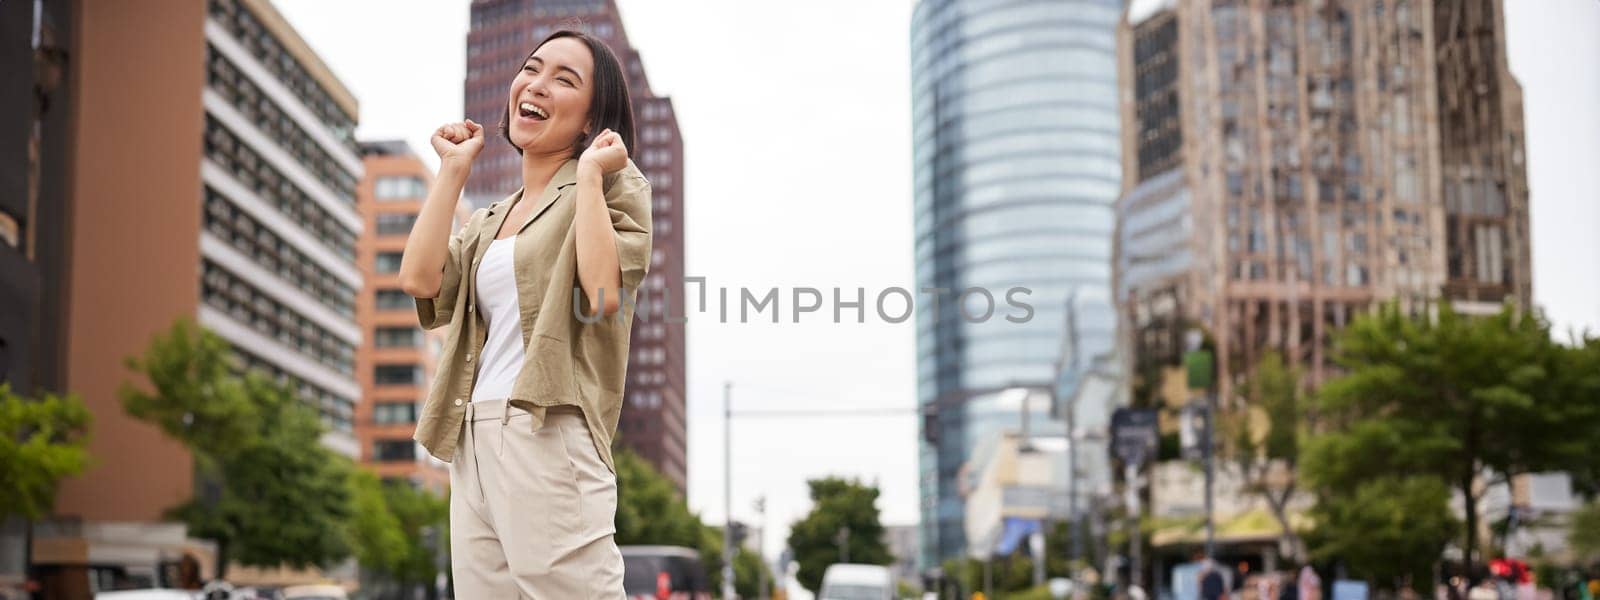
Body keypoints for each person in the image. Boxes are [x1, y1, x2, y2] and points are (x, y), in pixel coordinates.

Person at [399, 28, 653, 598]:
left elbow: (603, 293)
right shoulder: (491, 218)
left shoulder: (614, 183)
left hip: (547, 428)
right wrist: (453, 171)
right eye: (532, 69)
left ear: (591, 120)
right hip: (471, 436)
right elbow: (418, 279)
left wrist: (590, 173)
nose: (536, 85)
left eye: (564, 79)